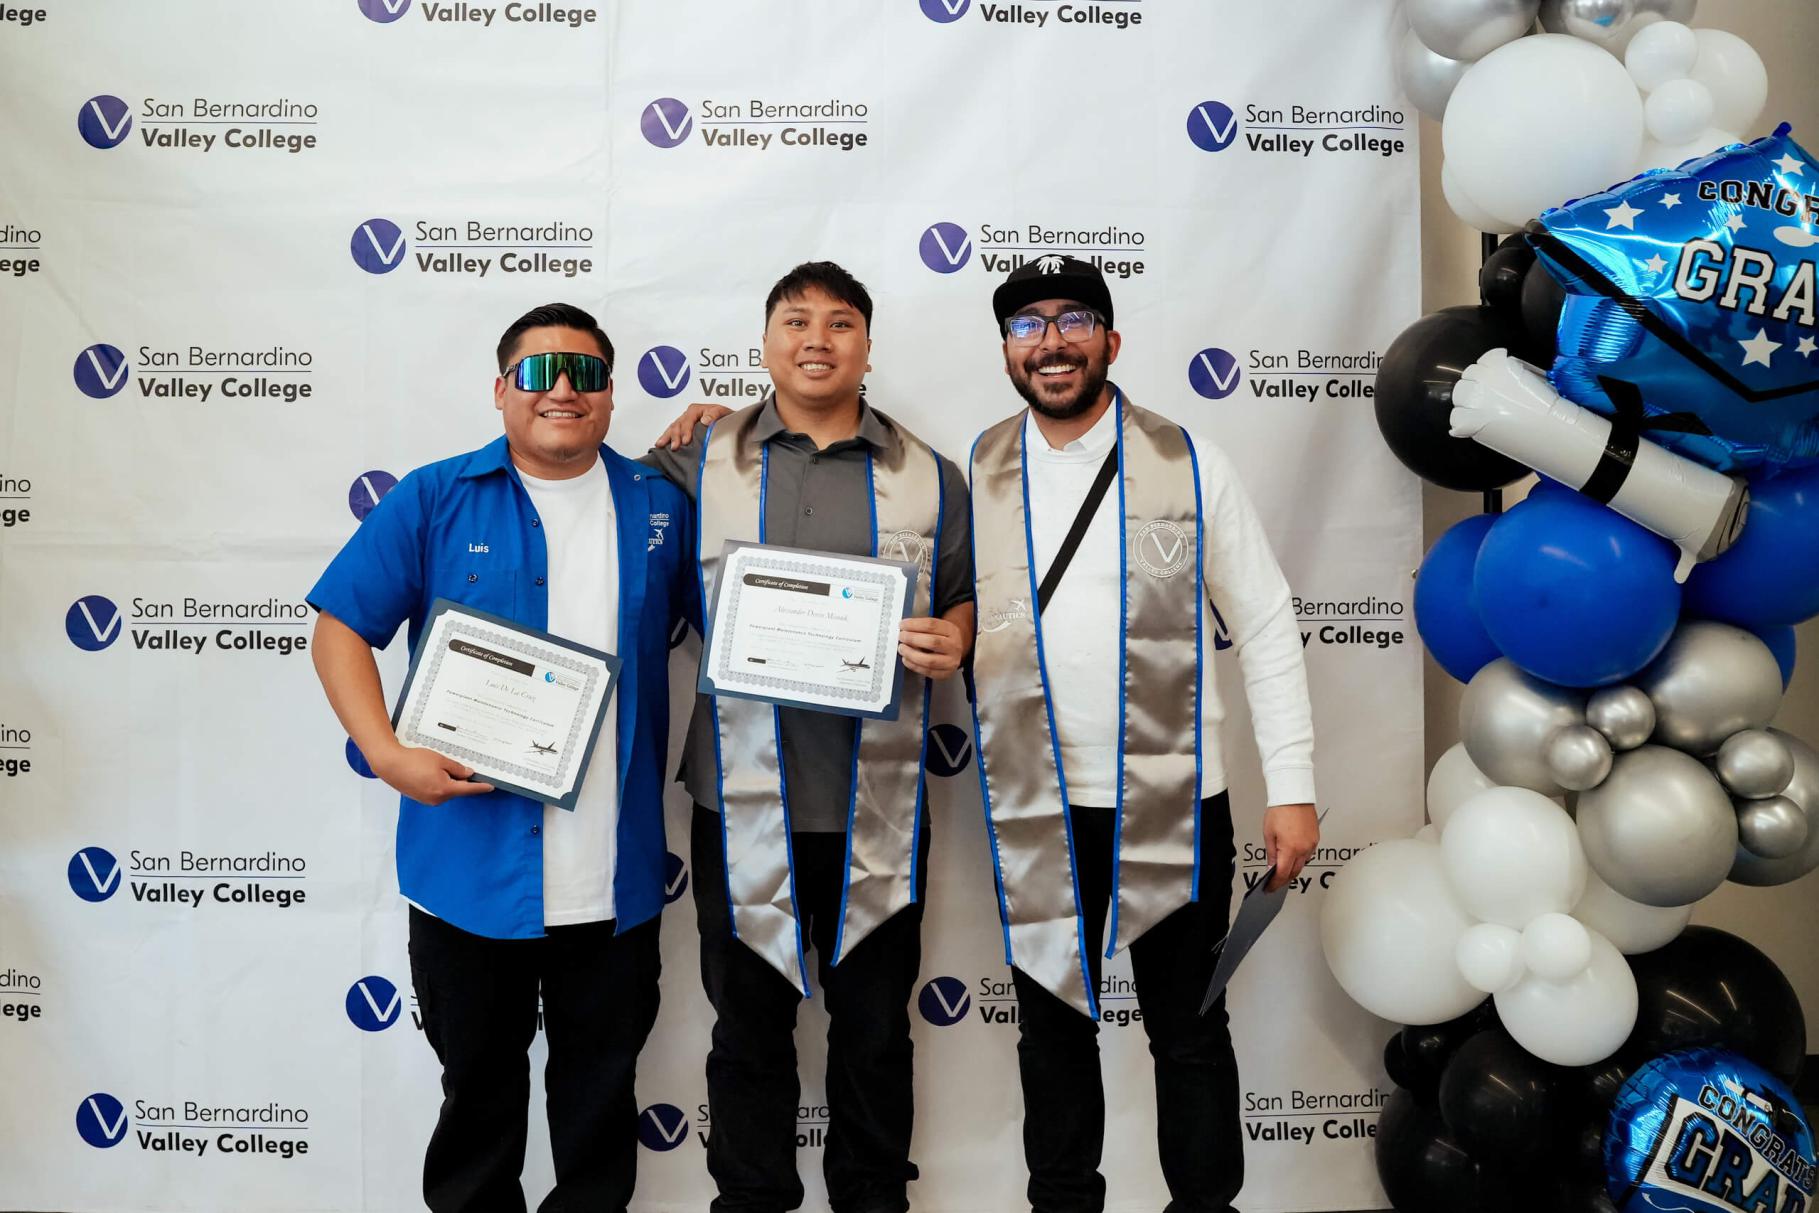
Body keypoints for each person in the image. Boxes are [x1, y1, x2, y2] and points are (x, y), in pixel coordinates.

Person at [307, 302, 694, 1213]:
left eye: (586, 374)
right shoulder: (434, 496)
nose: (562, 390)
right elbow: (338, 628)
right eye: (538, 372)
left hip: (614, 885)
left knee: (599, 1123)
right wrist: (383, 750)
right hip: (467, 879)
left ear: (610, 394)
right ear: (501, 390)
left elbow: (736, 624)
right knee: (477, 1116)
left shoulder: (660, 505)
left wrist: (733, 431)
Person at [967, 256, 1320, 1213]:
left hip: (1174, 798)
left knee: (1189, 1032)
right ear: (1005, 350)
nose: (1052, 339)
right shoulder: (976, 469)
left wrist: (1290, 783)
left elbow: (1267, 618)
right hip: (1035, 799)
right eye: (1028, 323)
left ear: (1111, 341)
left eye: (1074, 318)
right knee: (1051, 1032)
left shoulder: (1189, 459)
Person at [642, 261, 974, 1213]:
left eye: (839, 322)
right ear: (765, 344)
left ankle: (872, 1199)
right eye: (795, 321)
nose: (816, 338)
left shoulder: (930, 476)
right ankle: (748, 1200)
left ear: (868, 345)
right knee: (746, 1029)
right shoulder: (698, 461)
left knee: (873, 1034)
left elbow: (963, 597)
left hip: (879, 803)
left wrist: (956, 633)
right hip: (738, 797)